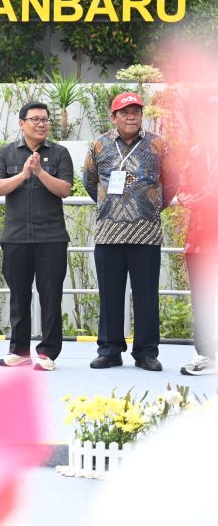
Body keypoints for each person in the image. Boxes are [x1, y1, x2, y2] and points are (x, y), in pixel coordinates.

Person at [83, 92, 177, 371]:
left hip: (146, 233)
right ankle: (110, 350)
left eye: (136, 111)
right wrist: (109, 206)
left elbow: (173, 182)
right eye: (124, 112)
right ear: (114, 117)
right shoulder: (99, 145)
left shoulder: (158, 145)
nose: (131, 116)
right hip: (108, 232)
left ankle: (146, 352)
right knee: (109, 294)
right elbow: (89, 181)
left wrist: (151, 206)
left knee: (147, 295)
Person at [0, 102, 73, 371]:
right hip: (16, 237)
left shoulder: (60, 153)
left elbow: (64, 189)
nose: (41, 124)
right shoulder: (7, 153)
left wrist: (39, 172)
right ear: (21, 123)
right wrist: (24, 174)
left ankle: (47, 353)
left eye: (45, 120)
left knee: (50, 295)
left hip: (51, 237)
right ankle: (19, 349)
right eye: (35, 119)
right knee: (18, 295)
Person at [177, 141, 218, 376]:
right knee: (202, 300)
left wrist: (199, 197)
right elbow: (183, 190)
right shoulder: (197, 150)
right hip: (200, 239)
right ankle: (206, 354)